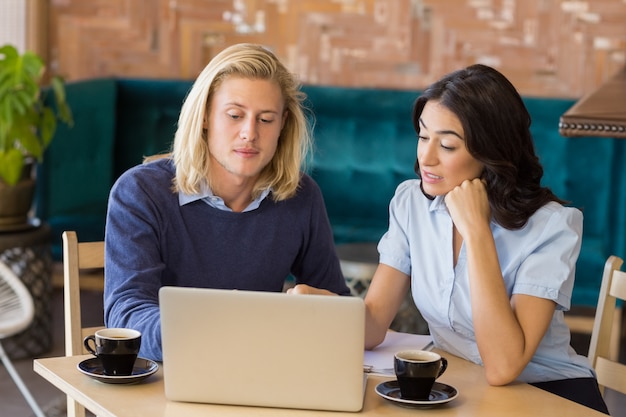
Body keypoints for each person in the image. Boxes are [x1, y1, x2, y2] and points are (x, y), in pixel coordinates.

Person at [363, 64, 610, 414]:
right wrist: (316, 309)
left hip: (551, 392)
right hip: (466, 384)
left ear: (490, 152)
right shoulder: (411, 203)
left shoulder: (553, 226)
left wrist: (478, 233)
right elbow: (373, 325)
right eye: (422, 136)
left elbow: (504, 367)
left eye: (447, 145)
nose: (426, 157)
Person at [103, 43, 350, 362]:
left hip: (260, 370)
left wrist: (321, 309)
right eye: (235, 115)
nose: (249, 133)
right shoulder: (140, 192)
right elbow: (126, 315)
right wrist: (206, 329)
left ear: (283, 125)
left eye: (266, 119)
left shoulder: (301, 196)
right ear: (205, 116)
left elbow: (338, 306)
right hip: (167, 373)